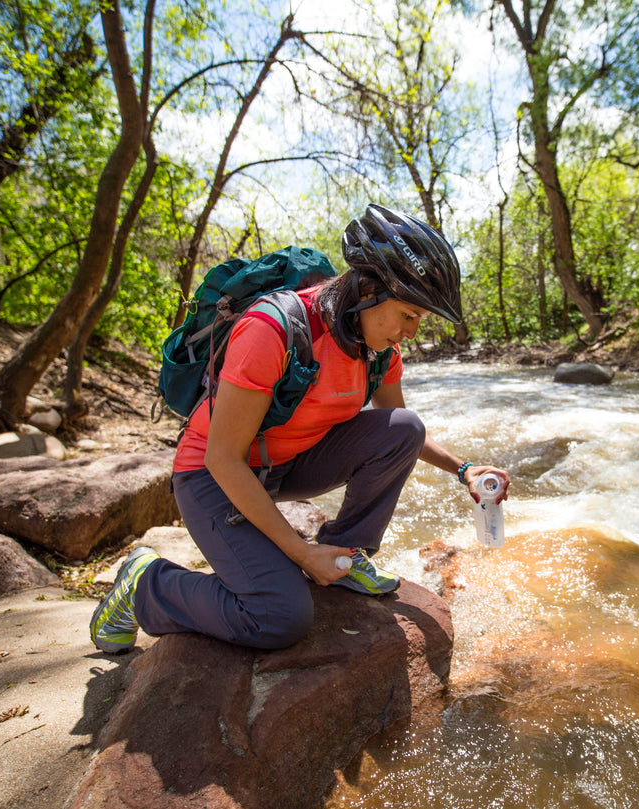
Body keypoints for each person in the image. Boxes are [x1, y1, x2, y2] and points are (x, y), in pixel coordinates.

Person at [90, 204, 510, 653]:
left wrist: (462, 468)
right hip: (212, 474)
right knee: (278, 618)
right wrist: (301, 552)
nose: (411, 331)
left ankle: (349, 555)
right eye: (408, 314)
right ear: (367, 288)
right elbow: (222, 457)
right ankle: (145, 584)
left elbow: (401, 430)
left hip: (286, 464)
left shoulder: (380, 349)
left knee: (403, 427)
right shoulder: (272, 329)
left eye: (419, 321)